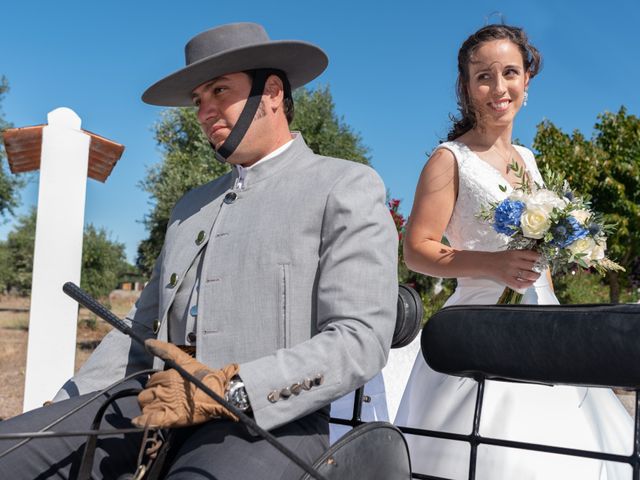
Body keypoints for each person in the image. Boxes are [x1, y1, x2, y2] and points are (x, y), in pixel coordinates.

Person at [0, 22, 398, 479]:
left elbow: (359, 339)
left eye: (220, 91)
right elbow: (139, 328)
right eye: (198, 101)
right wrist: (70, 402)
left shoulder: (343, 185)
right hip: (151, 399)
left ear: (271, 92)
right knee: (13, 452)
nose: (205, 112)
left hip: (268, 418)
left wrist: (230, 390)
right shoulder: (189, 207)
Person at [394, 24, 633, 479]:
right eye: (483, 76)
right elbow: (417, 250)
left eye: (509, 73)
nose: (498, 87)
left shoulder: (529, 156)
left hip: (544, 320)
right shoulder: (450, 160)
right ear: (466, 86)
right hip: (479, 329)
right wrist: (492, 265)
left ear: (527, 79)